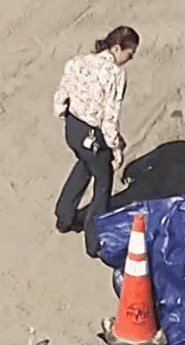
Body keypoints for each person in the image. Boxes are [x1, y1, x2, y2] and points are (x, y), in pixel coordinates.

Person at [52, 26, 139, 257]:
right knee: (103, 180)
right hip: (94, 134)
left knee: (84, 163)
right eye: (128, 55)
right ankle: (94, 241)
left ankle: (64, 217)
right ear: (117, 48)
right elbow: (109, 120)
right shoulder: (115, 75)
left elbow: (60, 98)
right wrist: (117, 149)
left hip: (73, 129)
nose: (128, 60)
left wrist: (67, 118)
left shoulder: (78, 62)